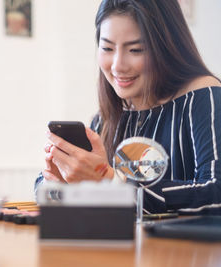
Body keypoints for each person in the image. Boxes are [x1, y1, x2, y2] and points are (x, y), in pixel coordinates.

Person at [35, 0, 221, 215]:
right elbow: (50, 194)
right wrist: (60, 182)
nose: (117, 66)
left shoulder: (204, 96)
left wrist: (112, 184)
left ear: (168, 47)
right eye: (106, 48)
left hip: (184, 248)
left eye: (135, 49)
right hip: (122, 247)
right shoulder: (108, 115)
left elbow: (216, 193)